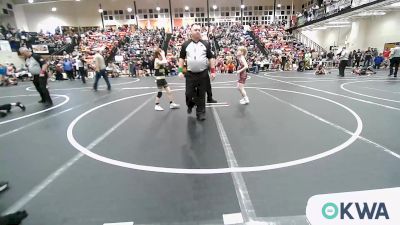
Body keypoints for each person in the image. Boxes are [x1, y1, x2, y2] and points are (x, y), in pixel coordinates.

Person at [178, 24, 216, 121]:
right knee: (189, 93)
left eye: (199, 30)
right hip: (190, 74)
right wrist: (180, 71)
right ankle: (190, 105)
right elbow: (181, 58)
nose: (198, 31)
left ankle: (201, 113)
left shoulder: (206, 44)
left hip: (202, 73)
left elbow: (211, 58)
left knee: (201, 94)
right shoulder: (186, 44)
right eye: (195, 30)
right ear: (191, 31)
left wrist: (212, 71)